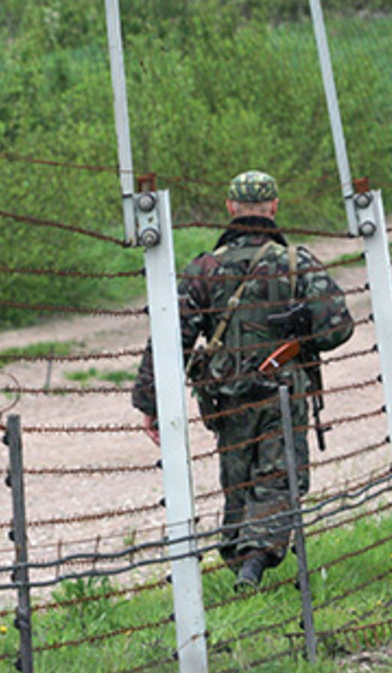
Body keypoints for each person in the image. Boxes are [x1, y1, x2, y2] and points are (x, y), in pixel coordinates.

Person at [132, 170, 354, 591]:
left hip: (226, 398)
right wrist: (300, 330)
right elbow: (338, 328)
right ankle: (253, 563)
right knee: (279, 478)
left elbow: (170, 338)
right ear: (273, 207)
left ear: (230, 208)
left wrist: (151, 403)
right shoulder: (297, 263)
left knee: (237, 481)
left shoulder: (205, 268)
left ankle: (243, 563)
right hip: (282, 394)